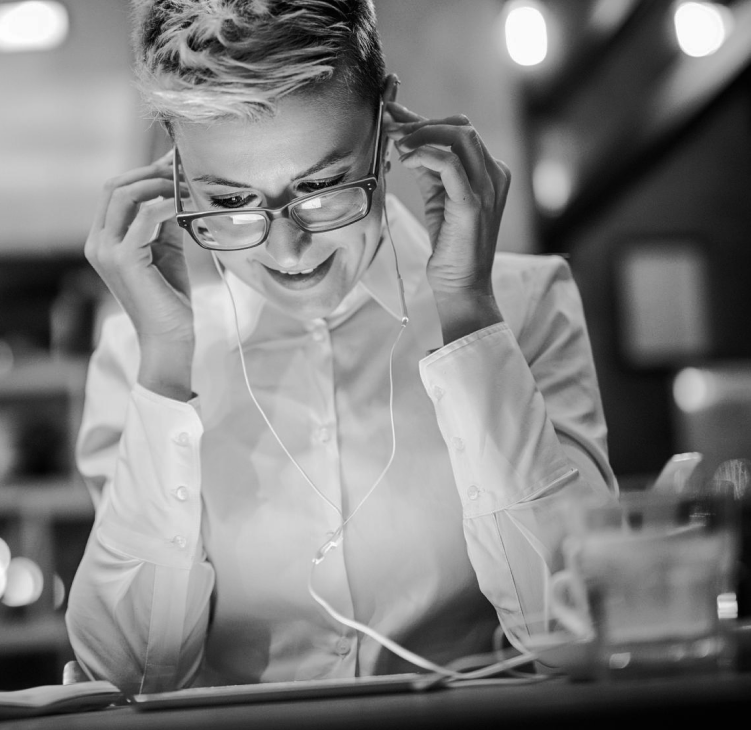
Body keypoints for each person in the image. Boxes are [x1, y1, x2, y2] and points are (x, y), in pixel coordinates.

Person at [68, 0, 616, 692]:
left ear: (386, 124)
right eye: (230, 201)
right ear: (177, 168)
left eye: (324, 186)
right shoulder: (137, 351)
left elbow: (577, 634)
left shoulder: (528, 305)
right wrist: (167, 366)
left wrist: (471, 317)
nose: (286, 247)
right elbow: (127, 675)